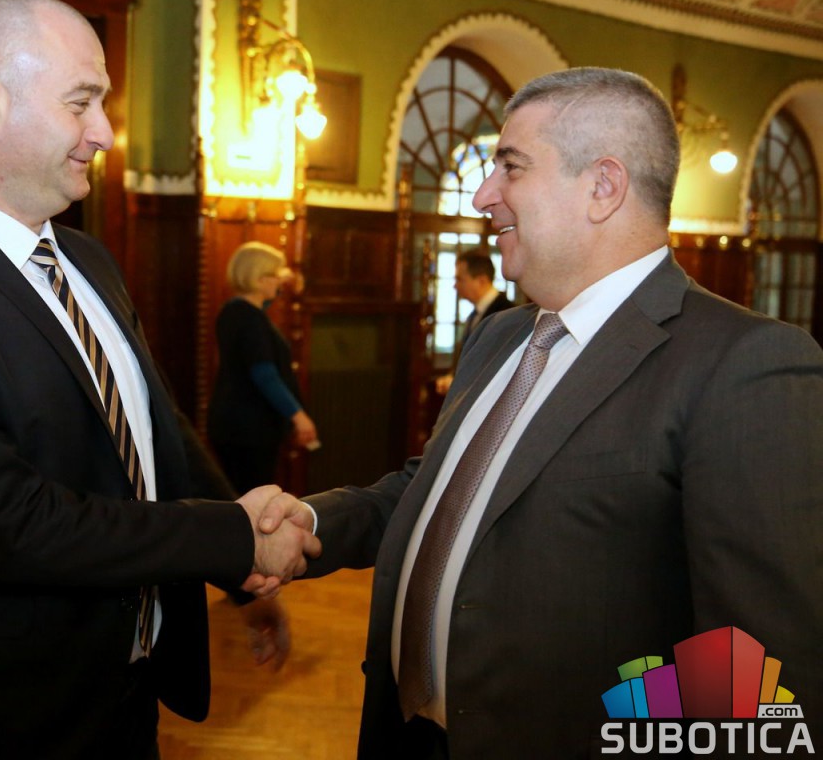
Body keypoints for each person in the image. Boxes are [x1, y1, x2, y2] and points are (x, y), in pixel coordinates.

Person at [257, 67, 823, 756]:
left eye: (512, 166)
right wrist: (311, 521)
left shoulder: (744, 363)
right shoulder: (500, 336)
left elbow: (762, 670)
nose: (483, 194)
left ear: (603, 187)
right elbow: (435, 489)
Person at [0, 0, 319, 760]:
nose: (104, 133)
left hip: (122, 694)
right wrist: (232, 539)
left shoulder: (87, 260)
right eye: (80, 102)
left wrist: (240, 576)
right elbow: (13, 523)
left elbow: (156, 433)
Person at [208, 241, 318, 492]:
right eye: (275, 276)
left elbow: (260, 307)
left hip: (232, 423)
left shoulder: (234, 311)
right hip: (250, 429)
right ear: (259, 279)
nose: (280, 281)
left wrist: (281, 283)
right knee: (254, 498)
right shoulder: (251, 320)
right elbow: (265, 375)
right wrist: (299, 416)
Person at [433, 250, 513, 395]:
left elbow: (498, 366)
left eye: (460, 279)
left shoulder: (507, 313)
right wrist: (453, 377)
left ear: (481, 280)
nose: (455, 286)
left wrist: (461, 384)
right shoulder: (474, 314)